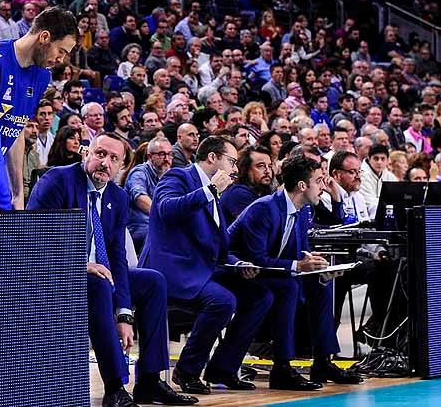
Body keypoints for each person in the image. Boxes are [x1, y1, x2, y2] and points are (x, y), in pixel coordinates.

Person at [28, 133, 196, 407]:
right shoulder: (57, 180)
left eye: (114, 158)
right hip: (57, 274)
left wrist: (125, 314)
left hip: (101, 276)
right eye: (100, 154)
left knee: (152, 281)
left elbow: (117, 256)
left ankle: (150, 382)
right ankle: (115, 387)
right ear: (87, 154)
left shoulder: (117, 198)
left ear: (122, 166)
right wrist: (79, 264)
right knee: (99, 283)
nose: (105, 162)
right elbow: (33, 237)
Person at [141, 136, 268, 395]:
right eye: (231, 162)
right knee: (222, 301)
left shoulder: (215, 194)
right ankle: (187, 370)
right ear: (212, 158)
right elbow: (164, 209)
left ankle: (223, 367)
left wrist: (238, 262)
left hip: (202, 269)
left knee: (260, 294)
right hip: (171, 271)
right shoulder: (178, 177)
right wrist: (208, 190)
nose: (234, 169)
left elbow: (219, 249)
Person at [228, 156, 363, 390]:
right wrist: (299, 266)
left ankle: (323, 361)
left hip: (269, 268)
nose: (324, 185)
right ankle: (282, 367)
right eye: (319, 180)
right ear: (302, 186)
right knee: (288, 286)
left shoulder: (300, 210)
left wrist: (317, 267)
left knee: (321, 283)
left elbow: (300, 253)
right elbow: (257, 258)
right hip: (239, 270)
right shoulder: (264, 208)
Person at [0, 7, 77, 211]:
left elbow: (16, 129)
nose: (61, 60)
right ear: (44, 37)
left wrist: (18, 192)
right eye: (61, 51)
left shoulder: (43, 76)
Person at [123, 136, 172, 253]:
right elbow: (139, 196)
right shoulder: (139, 172)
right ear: (150, 156)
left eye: (170, 154)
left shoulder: (169, 175)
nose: (167, 159)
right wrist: (160, 214)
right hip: (138, 228)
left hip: (158, 226)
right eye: (161, 154)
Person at [219, 146, 274, 223]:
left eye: (270, 166)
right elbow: (257, 227)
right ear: (246, 169)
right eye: (261, 166)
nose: (267, 171)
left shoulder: (262, 192)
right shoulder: (238, 193)